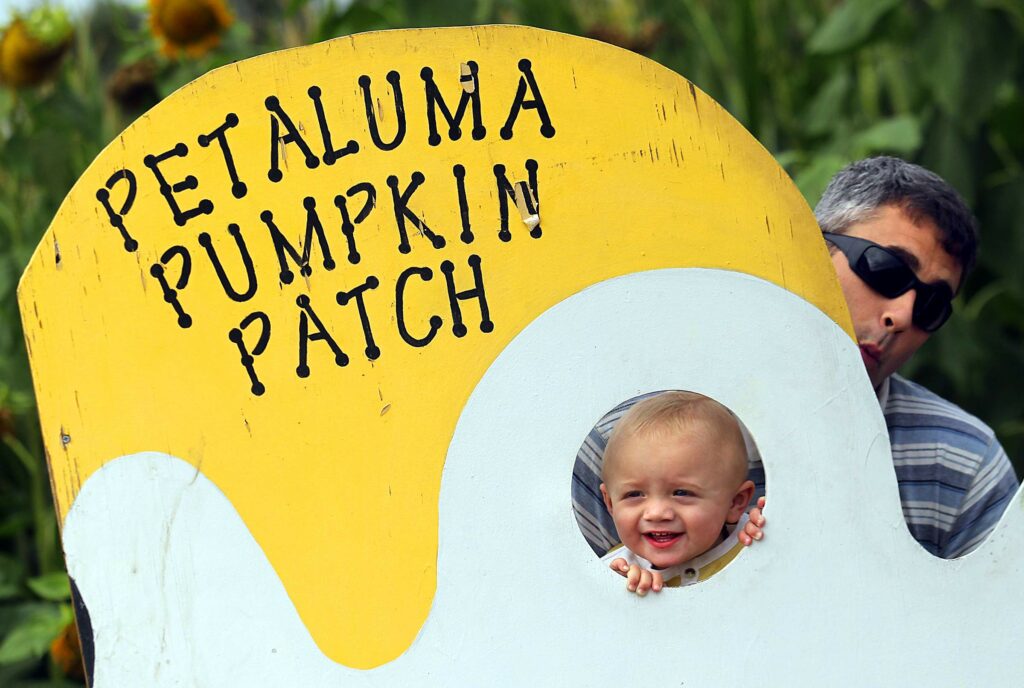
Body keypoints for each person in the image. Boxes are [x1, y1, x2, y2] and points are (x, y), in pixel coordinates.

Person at [573, 156, 1019, 560]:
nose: (901, 316)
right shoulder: (622, 438)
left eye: (932, 305)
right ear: (810, 250)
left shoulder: (961, 465)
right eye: (886, 270)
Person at [599, 391, 755, 596]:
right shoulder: (614, 571)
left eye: (681, 492)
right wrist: (615, 595)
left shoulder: (753, 541)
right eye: (634, 494)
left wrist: (770, 535)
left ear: (735, 503)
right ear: (610, 503)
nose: (656, 513)